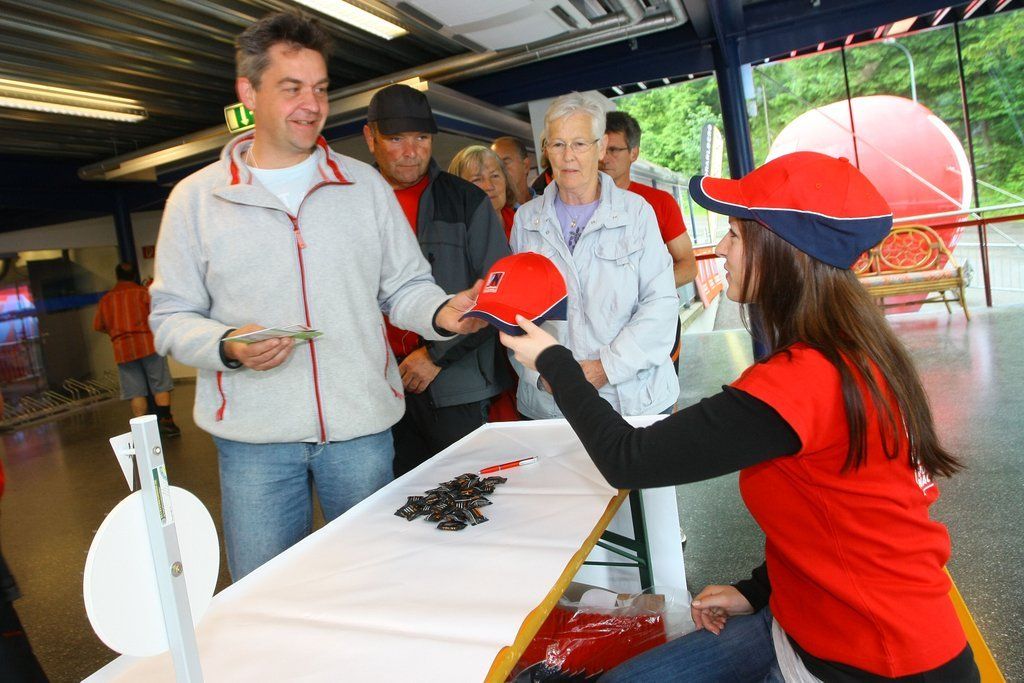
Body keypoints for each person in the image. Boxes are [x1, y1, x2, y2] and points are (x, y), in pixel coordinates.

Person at [502, 152, 979, 682]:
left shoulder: (802, 382)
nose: (722, 249)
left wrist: (554, 361)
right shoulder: (853, 350)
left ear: (783, 253)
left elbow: (628, 459)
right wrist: (757, 591)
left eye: (734, 235)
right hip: (804, 616)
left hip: (868, 661)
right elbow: (836, 516)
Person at [149, 12, 485, 581]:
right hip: (255, 442)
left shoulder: (363, 186)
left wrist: (440, 312)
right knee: (265, 589)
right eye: (291, 88)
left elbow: (405, 285)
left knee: (373, 582)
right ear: (248, 93)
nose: (311, 105)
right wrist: (226, 345)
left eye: (321, 89)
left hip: (361, 431)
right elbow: (171, 316)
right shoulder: (197, 199)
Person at [361, 85, 512, 477]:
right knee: (403, 500)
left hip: (455, 386)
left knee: (471, 495)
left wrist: (434, 357)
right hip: (381, 390)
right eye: (396, 139)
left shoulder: (466, 202)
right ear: (370, 138)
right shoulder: (352, 205)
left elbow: (498, 296)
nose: (411, 151)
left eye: (422, 138)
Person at [509, 92, 679, 420]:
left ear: (600, 149)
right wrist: (542, 374)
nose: (568, 156)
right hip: (554, 404)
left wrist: (605, 367)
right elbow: (513, 315)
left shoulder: (636, 212)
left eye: (580, 144)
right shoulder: (526, 220)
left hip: (633, 401)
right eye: (558, 144)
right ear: (546, 150)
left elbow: (661, 304)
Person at [601, 110, 697, 374]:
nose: (604, 158)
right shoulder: (578, 207)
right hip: (602, 329)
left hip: (655, 323)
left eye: (614, 150)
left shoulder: (660, 203)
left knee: (659, 393)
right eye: (601, 149)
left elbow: (688, 266)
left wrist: (639, 290)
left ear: (634, 153)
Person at [93, 262, 180, 436]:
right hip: (148, 345)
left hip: (123, 350)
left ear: (117, 276)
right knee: (160, 384)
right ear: (134, 276)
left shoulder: (106, 300)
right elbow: (157, 316)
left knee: (135, 391)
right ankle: (167, 423)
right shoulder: (143, 294)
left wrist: (116, 333)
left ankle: (142, 430)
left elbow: (98, 326)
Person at [449, 145, 517, 240]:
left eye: (495, 176)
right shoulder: (453, 238)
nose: (489, 186)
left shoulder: (524, 223)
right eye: (477, 179)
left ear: (506, 180)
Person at [490, 136, 535, 207]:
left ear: (525, 166)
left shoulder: (548, 202)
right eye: (495, 165)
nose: (499, 170)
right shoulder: (495, 211)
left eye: (505, 163)